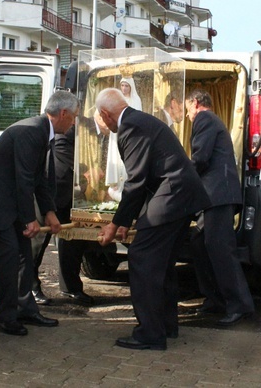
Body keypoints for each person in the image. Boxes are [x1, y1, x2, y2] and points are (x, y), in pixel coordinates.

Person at [96, 88, 210, 351]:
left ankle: (150, 333)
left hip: (172, 198)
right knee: (162, 264)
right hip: (180, 198)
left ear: (105, 114)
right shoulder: (139, 120)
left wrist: (115, 224)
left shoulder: (130, 127)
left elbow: (136, 182)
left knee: (141, 259)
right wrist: (125, 221)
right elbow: (146, 177)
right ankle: (166, 326)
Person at [0, 90, 79, 336]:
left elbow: (38, 179)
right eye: (74, 117)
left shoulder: (42, 131)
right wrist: (29, 219)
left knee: (23, 253)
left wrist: (49, 212)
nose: (74, 122)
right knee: (8, 255)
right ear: (63, 113)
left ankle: (23, 309)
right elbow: (24, 179)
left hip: (9, 198)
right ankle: (4, 316)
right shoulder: (32, 131)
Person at [185, 89, 255, 326]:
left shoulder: (204, 118)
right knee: (198, 242)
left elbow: (200, 158)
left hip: (218, 195)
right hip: (215, 196)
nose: (187, 116)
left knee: (221, 250)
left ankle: (239, 305)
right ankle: (214, 299)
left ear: (195, 103)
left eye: (187, 110)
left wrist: (182, 180)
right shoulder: (214, 121)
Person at [54, 124, 97, 305]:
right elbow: (68, 166)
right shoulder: (63, 138)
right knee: (37, 246)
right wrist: (86, 172)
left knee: (73, 242)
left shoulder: (76, 133)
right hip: (53, 196)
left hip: (69, 198)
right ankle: (30, 290)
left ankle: (71, 287)